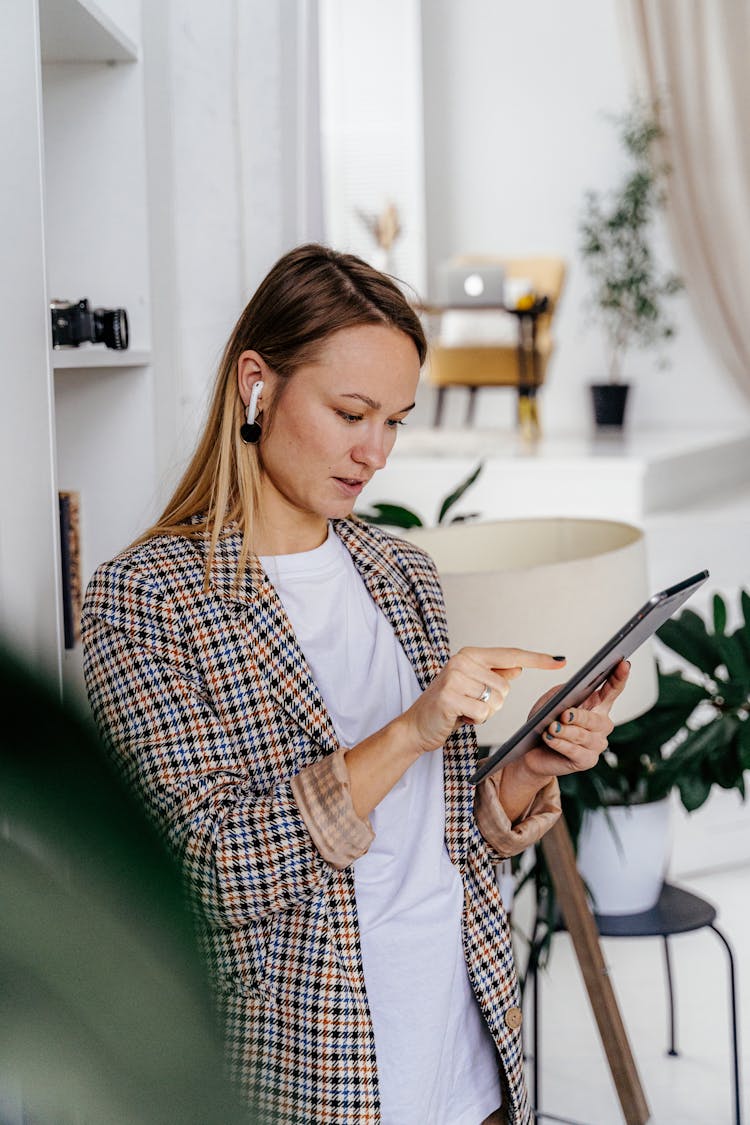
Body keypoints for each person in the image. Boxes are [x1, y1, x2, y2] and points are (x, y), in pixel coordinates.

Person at [82, 244, 628, 1125]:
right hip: (316, 1071)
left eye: (396, 421)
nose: (374, 452)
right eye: (351, 412)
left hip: (468, 1051)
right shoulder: (148, 597)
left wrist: (530, 767)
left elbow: (444, 833)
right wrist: (410, 729)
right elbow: (206, 868)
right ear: (257, 383)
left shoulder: (400, 572)